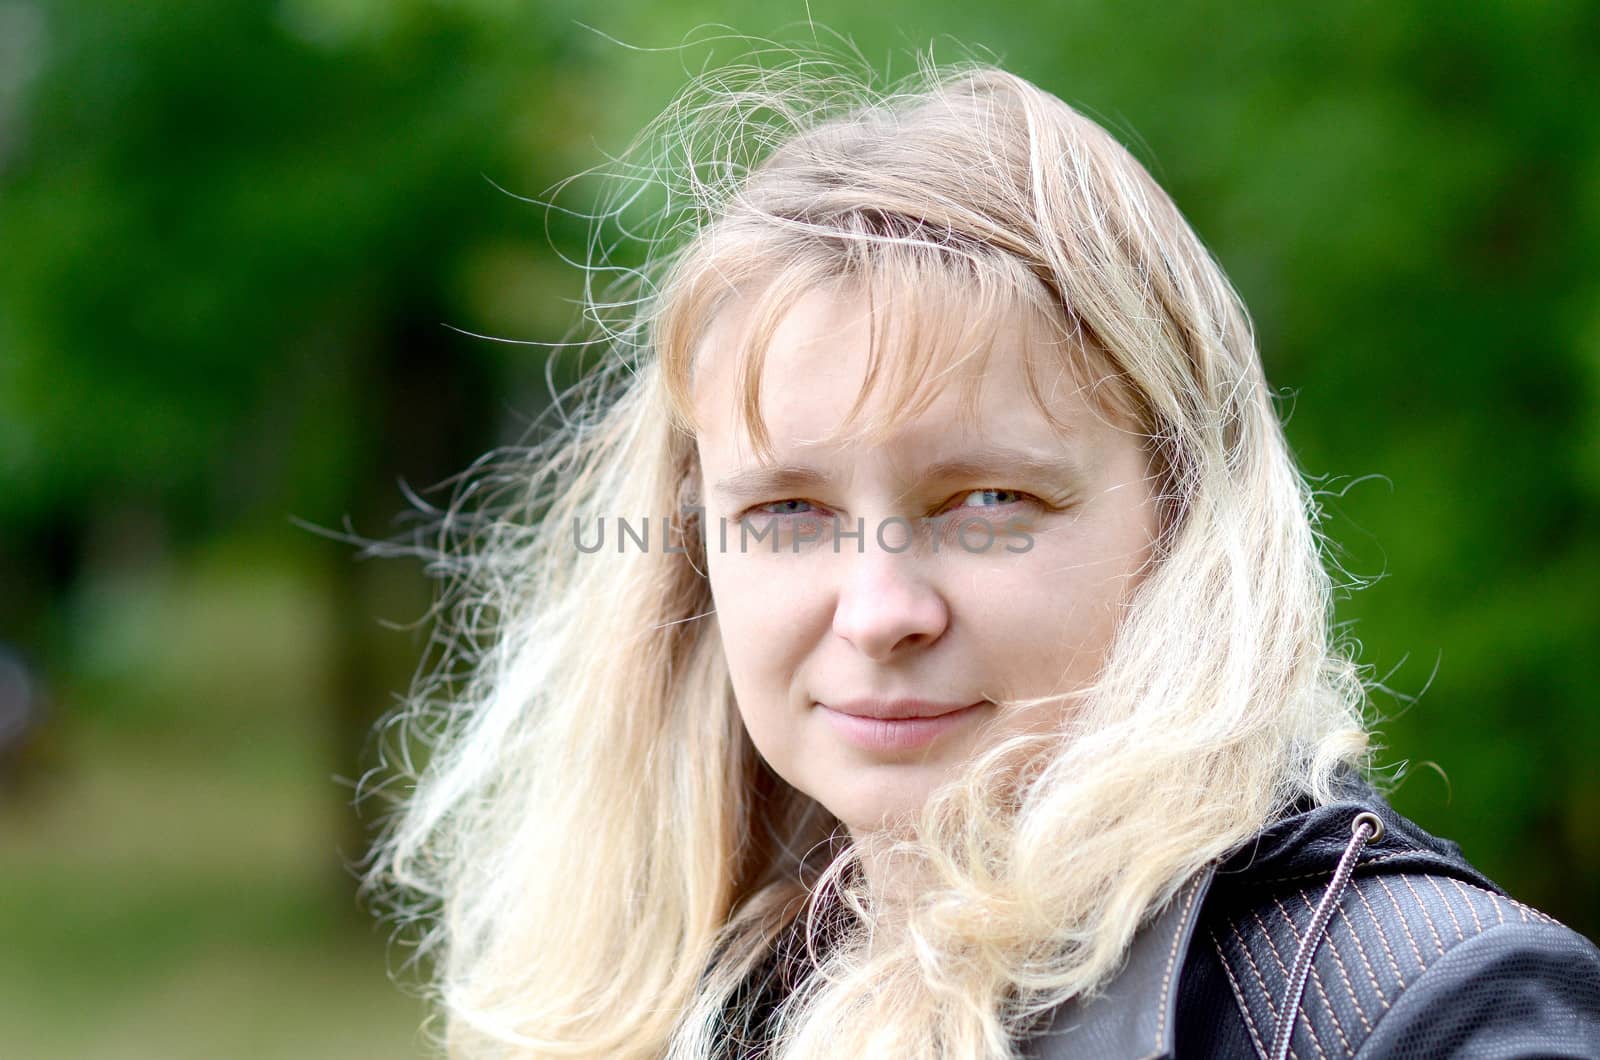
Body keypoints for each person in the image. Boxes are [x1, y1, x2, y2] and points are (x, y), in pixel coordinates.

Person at [363, 54, 1600, 1058]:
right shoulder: (687, 1004)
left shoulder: (1414, 1010)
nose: (878, 607)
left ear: (1179, 522)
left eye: (985, 499)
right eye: (786, 512)